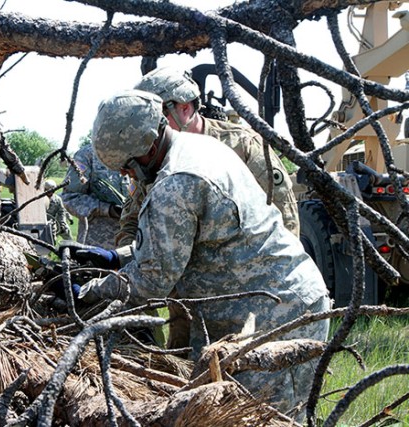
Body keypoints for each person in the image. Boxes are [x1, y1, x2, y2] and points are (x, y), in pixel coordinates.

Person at [71, 90, 330, 417]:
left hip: (275, 317)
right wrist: (112, 258)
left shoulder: (177, 182)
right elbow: (173, 241)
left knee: (264, 420)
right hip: (256, 310)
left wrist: (88, 293)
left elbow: (152, 281)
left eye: (127, 167)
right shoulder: (195, 147)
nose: (127, 176)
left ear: (148, 148)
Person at [115, 66, 299, 247]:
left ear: (185, 108)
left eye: (156, 117)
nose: (149, 127)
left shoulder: (242, 144)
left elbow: (284, 215)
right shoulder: (151, 158)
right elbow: (131, 223)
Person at [60, 144, 130, 249]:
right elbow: (69, 198)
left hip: (133, 248)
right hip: (97, 248)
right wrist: (107, 209)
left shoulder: (137, 151)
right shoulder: (87, 155)